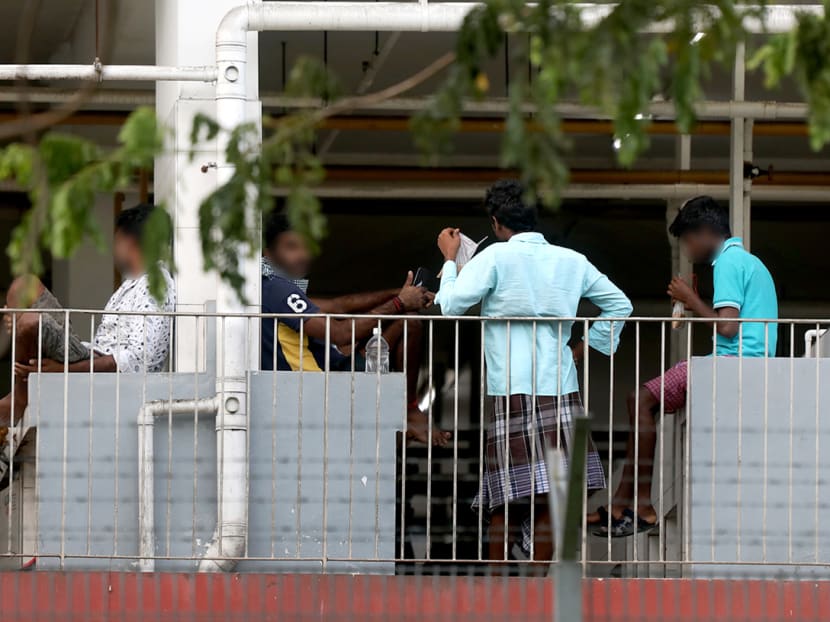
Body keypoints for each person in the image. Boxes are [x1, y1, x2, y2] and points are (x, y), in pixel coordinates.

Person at [434, 180, 633, 565]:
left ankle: (497, 588)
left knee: (504, 493)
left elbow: (451, 306)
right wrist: (584, 348)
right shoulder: (572, 260)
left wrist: (449, 258)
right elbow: (619, 305)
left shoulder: (493, 259)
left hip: (510, 388)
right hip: (560, 388)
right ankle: (537, 589)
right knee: (553, 494)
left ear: (495, 223)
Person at [593, 195, 778, 537]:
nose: (688, 250)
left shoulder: (727, 262)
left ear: (706, 232)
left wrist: (690, 299)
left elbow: (727, 327)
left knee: (642, 399)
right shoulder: (747, 261)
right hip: (744, 362)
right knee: (643, 400)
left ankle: (636, 503)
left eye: (688, 241)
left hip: (731, 364)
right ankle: (626, 502)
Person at [261, 210, 450, 446]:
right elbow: (339, 334)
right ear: (267, 254)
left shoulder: (272, 289)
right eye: (291, 247)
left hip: (328, 371)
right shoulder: (277, 289)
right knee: (407, 320)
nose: (303, 255)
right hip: (321, 384)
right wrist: (400, 303)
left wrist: (397, 293)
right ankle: (409, 409)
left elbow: (340, 305)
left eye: (305, 246)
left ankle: (399, 424)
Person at [2, 202, 175, 443]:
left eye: (116, 241)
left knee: (31, 321)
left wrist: (64, 371)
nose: (114, 250)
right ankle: (20, 390)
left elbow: (135, 360)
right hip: (85, 354)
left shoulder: (156, 287)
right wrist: (15, 319)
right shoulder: (131, 284)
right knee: (25, 287)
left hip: (100, 372)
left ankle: (19, 400)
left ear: (131, 243)